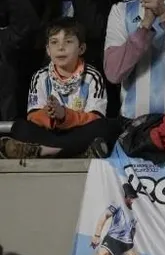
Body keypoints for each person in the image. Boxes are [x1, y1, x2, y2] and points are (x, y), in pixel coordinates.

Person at [0, 19, 114, 159]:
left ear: (81, 49)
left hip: (79, 132)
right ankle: (75, 152)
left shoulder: (92, 77)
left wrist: (65, 115)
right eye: (54, 42)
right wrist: (49, 114)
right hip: (50, 133)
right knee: (19, 128)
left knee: (104, 127)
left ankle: (45, 151)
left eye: (68, 42)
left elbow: (96, 117)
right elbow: (33, 116)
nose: (61, 47)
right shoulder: (40, 77)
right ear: (48, 50)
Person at [74, 183, 143, 255]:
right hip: (112, 241)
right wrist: (97, 235)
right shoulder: (117, 204)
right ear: (125, 196)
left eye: (133, 198)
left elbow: (133, 231)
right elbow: (103, 217)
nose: (132, 200)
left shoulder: (134, 214)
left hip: (126, 245)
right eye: (130, 197)